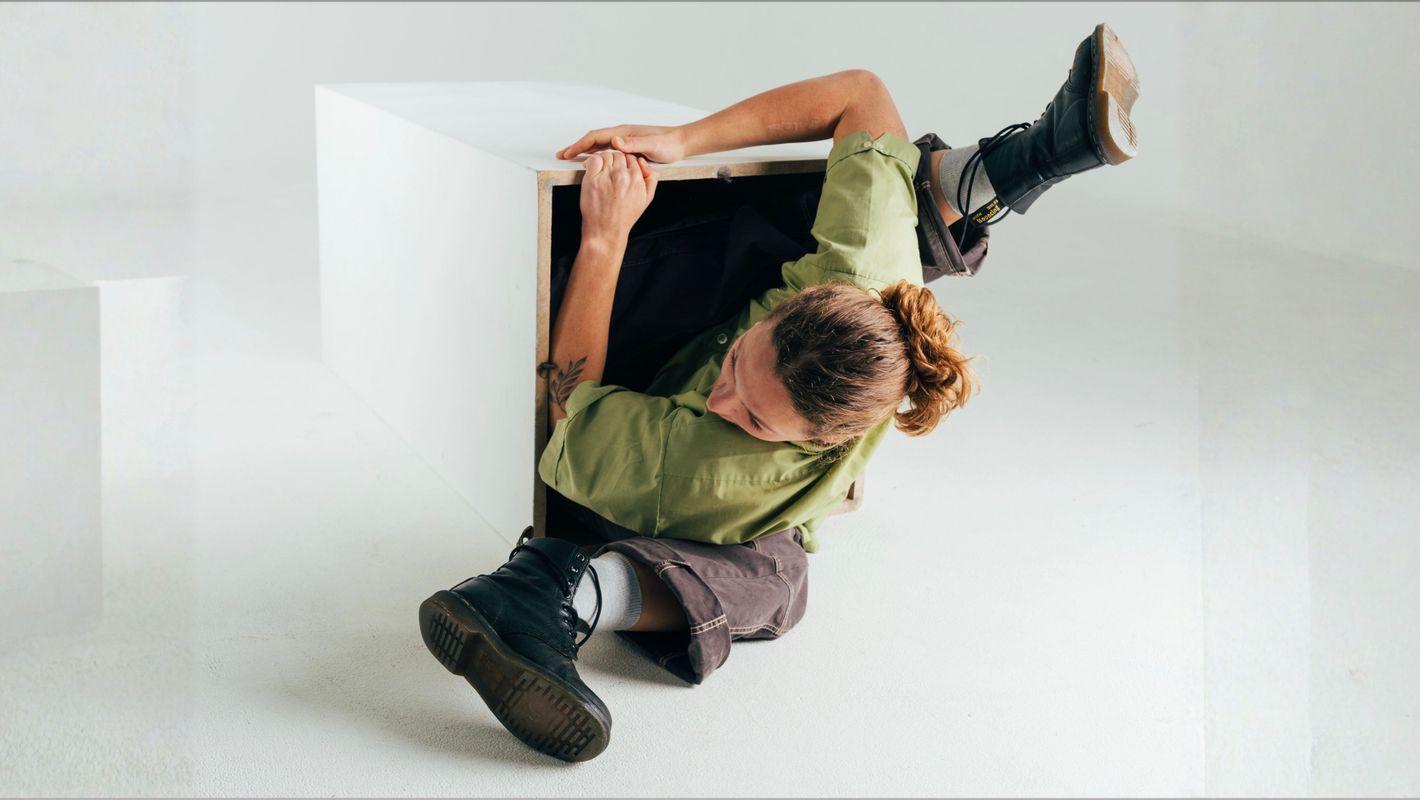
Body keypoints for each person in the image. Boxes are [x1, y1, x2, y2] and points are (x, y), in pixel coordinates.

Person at [418, 23, 1140, 762]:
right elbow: (861, 95)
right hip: (671, 349)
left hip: (656, 417)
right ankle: (1006, 166)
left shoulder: (711, 465)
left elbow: (575, 409)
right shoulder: (868, 276)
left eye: (755, 418)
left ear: (824, 439)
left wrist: (605, 238)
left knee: (774, 574)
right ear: (805, 299)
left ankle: (555, 591)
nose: (722, 403)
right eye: (737, 370)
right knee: (777, 572)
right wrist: (682, 141)